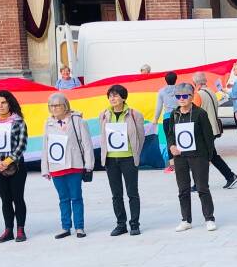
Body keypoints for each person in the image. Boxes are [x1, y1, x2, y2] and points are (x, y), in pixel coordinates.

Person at [165, 82, 217, 232]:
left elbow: (208, 136)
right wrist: (171, 146)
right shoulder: (174, 114)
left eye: (185, 96)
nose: (181, 99)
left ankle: (209, 218)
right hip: (180, 157)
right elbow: (170, 134)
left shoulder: (200, 113)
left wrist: (208, 157)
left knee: (202, 188)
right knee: (183, 189)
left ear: (191, 96)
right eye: (178, 96)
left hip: (198, 156)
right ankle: (186, 219)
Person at [42, 93, 94, 239]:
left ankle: (79, 227)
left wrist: (89, 165)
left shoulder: (77, 120)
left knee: (76, 197)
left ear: (65, 106)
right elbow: (45, 146)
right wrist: (45, 168)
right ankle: (66, 227)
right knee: (63, 198)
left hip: (74, 164)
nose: (54, 108)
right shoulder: (48, 123)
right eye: (52, 105)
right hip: (56, 166)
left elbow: (87, 144)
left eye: (58, 105)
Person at [98, 85, 145, 237]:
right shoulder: (104, 114)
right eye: (110, 96)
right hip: (111, 159)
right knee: (116, 194)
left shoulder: (134, 114)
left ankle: (134, 223)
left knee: (132, 192)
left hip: (128, 158)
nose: (112, 98)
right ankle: (120, 224)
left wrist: (135, 153)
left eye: (116, 95)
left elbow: (140, 136)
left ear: (123, 97)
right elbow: (103, 136)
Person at [0, 90, 28, 243]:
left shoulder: (18, 122)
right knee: (5, 200)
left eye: (3, 102)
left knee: (18, 198)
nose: (0, 106)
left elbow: (22, 145)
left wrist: (7, 161)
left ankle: (20, 229)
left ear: (10, 103)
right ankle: (8, 230)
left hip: (15, 167)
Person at [192, 72, 237, 189]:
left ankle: (229, 176)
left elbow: (194, 113)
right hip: (213, 127)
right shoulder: (212, 92)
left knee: (203, 157)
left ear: (195, 83)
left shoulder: (198, 95)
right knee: (211, 155)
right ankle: (229, 176)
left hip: (204, 130)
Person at [152, 71, 179, 172]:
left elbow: (159, 107)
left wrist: (155, 118)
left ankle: (172, 165)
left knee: (169, 140)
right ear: (176, 79)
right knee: (180, 138)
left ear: (165, 80)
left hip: (167, 118)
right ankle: (183, 162)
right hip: (179, 117)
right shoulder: (180, 90)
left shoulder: (161, 91)